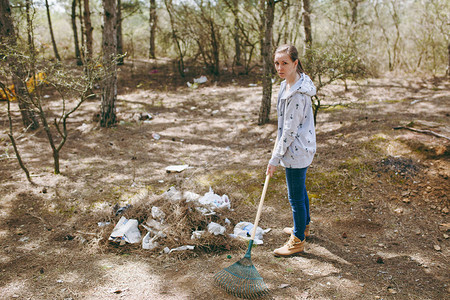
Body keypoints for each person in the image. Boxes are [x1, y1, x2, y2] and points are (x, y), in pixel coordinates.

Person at [266, 44, 316, 256]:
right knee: (300, 189)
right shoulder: (286, 84)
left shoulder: (297, 93)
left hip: (297, 149)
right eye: (277, 63)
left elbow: (289, 131)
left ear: (295, 63)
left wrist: (274, 158)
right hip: (298, 147)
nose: (280, 67)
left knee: (295, 197)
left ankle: (297, 240)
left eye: (285, 63)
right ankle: (303, 226)